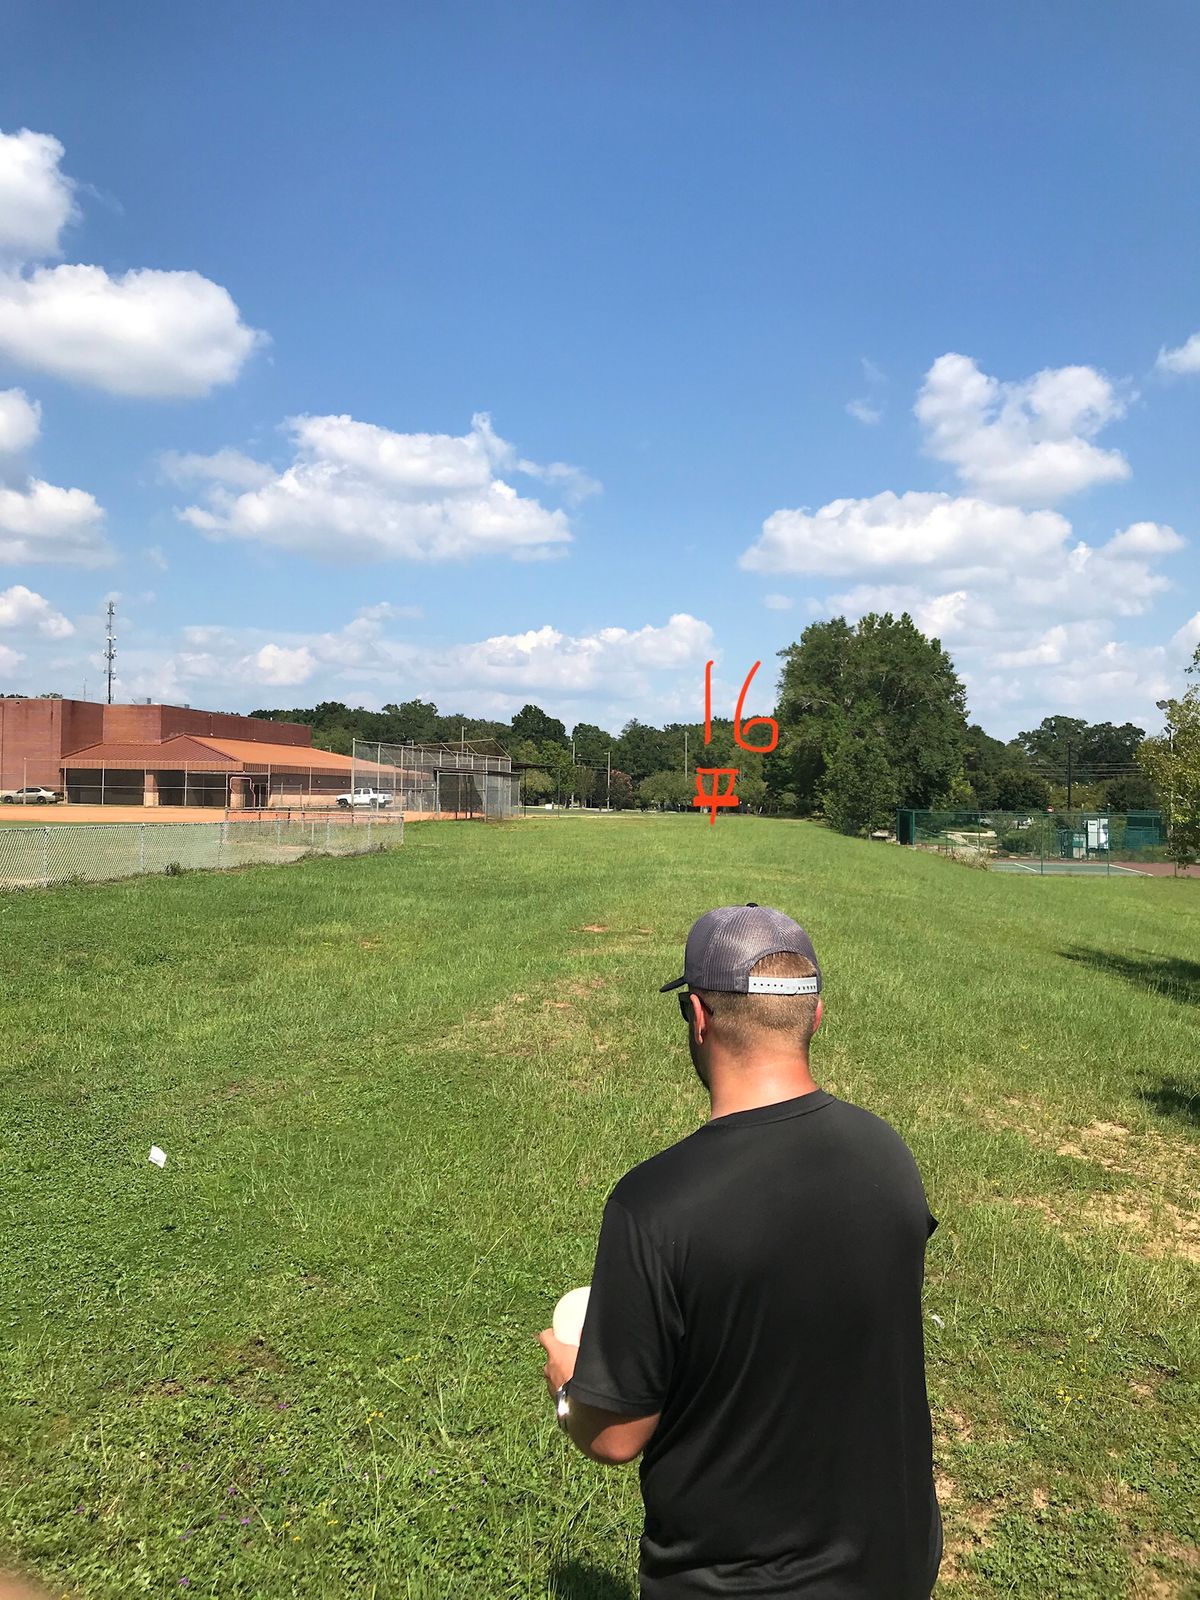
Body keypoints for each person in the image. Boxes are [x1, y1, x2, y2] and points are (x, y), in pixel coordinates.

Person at [538, 903, 941, 1599]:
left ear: (697, 1016)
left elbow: (615, 1438)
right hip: (896, 1565)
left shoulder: (653, 1204)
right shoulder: (889, 1154)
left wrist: (570, 1386)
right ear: (815, 1017)